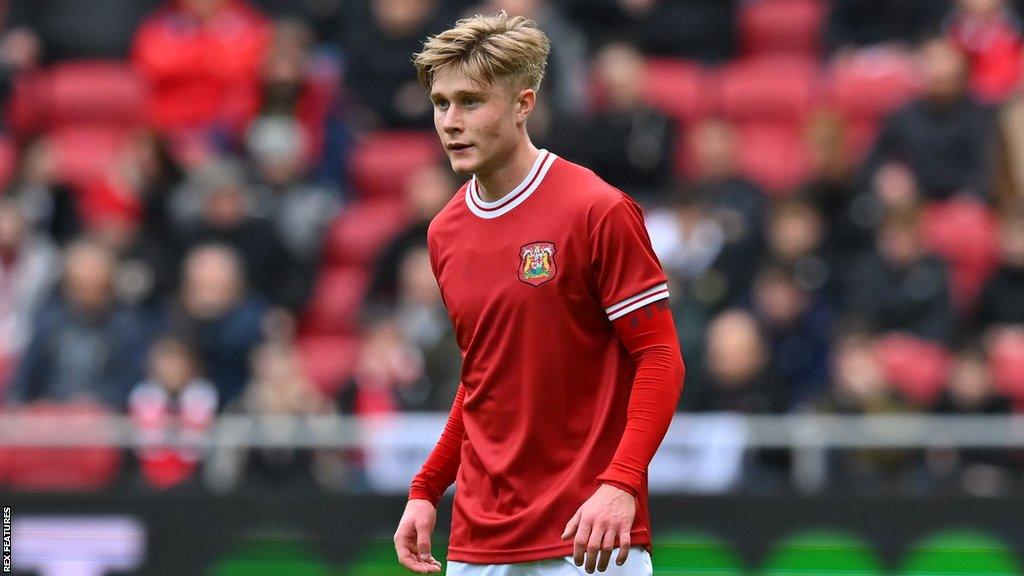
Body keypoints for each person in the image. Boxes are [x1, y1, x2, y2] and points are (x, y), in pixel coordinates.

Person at [393, 12, 685, 575]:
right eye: (440, 103)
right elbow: (483, 378)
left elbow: (661, 357)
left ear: (524, 104)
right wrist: (427, 488)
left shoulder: (596, 210)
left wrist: (621, 483)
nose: (451, 121)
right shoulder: (444, 234)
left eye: (471, 102)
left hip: (589, 536)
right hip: (478, 542)